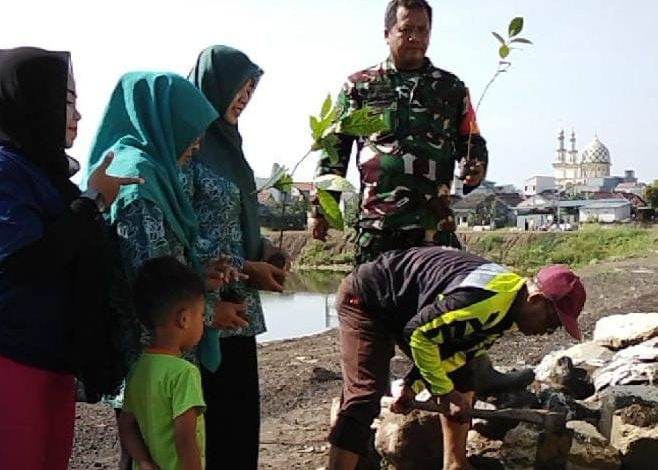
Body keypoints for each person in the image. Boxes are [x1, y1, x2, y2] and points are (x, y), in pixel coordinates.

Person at [85, 71, 236, 469]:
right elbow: (147, 277)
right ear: (165, 121)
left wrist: (197, 275)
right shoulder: (140, 184)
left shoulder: (149, 171)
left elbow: (156, 265)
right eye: (192, 131)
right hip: (149, 350)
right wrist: (207, 312)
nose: (197, 144)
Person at [0, 47, 141, 469]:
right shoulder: (6, 172)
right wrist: (93, 200)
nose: (77, 116)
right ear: (31, 99)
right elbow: (22, 263)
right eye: (68, 101)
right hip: (13, 360)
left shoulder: (47, 175)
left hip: (51, 362)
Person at [328, 247, 586, 470]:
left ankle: (455, 464)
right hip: (367, 297)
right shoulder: (484, 302)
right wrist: (444, 391)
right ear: (536, 299)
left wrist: (412, 386)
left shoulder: (509, 310)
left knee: (463, 377)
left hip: (407, 307)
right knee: (364, 395)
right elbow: (419, 335)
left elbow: (456, 354)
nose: (548, 331)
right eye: (552, 321)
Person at [309, 0, 488, 261]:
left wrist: (477, 167)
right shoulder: (359, 87)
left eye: (423, 30)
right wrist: (320, 209)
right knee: (374, 300)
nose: (415, 37)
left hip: (434, 229)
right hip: (379, 229)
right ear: (387, 33)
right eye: (406, 30)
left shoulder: (452, 88)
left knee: (438, 301)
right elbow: (334, 152)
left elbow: (471, 140)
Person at [188, 44, 288, 470]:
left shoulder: (233, 147)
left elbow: (235, 219)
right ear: (214, 85)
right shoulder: (187, 147)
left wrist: (264, 250)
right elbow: (184, 235)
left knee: (240, 426)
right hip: (199, 310)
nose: (245, 96)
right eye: (239, 86)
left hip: (240, 309)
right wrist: (248, 267)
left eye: (251, 88)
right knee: (207, 432)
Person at [119, 256, 208, 470]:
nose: (203, 322)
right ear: (184, 319)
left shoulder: (139, 367)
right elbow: (186, 439)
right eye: (202, 315)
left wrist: (144, 461)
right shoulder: (184, 373)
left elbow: (126, 425)